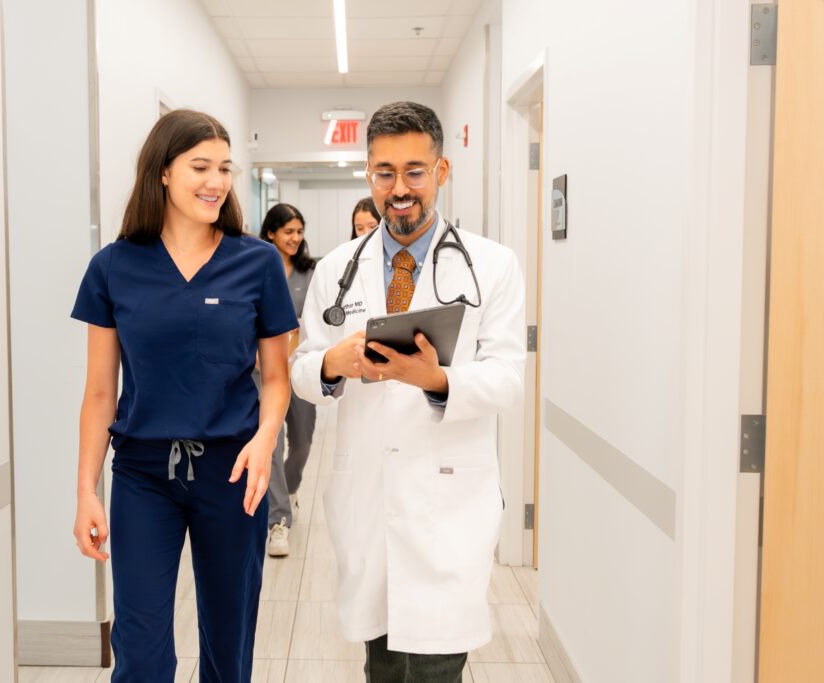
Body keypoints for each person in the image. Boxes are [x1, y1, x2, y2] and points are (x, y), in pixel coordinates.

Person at [291, 101, 526, 682]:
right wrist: (333, 363)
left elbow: (506, 377)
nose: (400, 189)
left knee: (438, 666)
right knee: (383, 664)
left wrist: (438, 380)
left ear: (442, 172)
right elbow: (301, 370)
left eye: (415, 172)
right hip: (367, 495)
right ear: (368, 173)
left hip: (449, 500)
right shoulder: (337, 269)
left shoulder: (493, 266)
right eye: (384, 172)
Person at [71, 109, 297, 683]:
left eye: (224, 167)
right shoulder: (113, 267)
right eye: (200, 166)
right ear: (163, 173)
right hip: (143, 474)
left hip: (233, 471)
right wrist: (86, 491)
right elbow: (101, 392)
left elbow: (276, 377)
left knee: (228, 642)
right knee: (142, 653)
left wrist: (265, 440)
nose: (216, 181)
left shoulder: (257, 262)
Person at [258, 203, 317, 556]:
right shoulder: (258, 268)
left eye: (299, 231)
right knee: (272, 444)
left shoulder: (311, 273)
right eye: (288, 231)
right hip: (263, 372)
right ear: (271, 233)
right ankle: (278, 521)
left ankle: (289, 488)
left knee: (304, 442)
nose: (295, 238)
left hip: (301, 370)